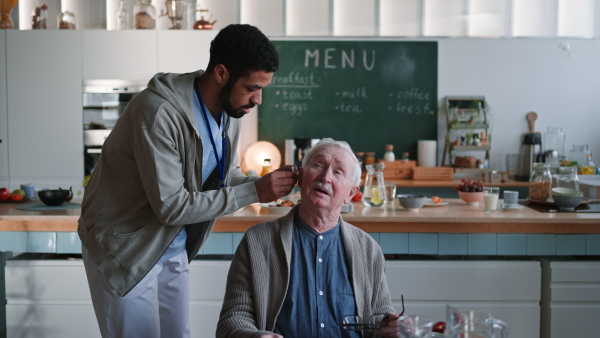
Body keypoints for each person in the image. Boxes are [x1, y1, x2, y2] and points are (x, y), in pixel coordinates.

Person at [78, 24, 298, 338]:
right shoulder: (157, 112)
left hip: (170, 245)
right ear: (221, 73)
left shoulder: (228, 111)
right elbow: (171, 206)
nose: (258, 99)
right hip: (125, 249)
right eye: (252, 87)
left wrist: (262, 182)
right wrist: (254, 191)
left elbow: (222, 173)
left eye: (262, 88)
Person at [217, 138, 401, 338]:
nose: (325, 176)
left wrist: (386, 329)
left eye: (338, 171)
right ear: (300, 177)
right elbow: (232, 320)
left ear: (351, 193)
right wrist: (254, 336)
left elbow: (378, 318)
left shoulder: (368, 249)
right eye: (318, 165)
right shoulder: (258, 241)